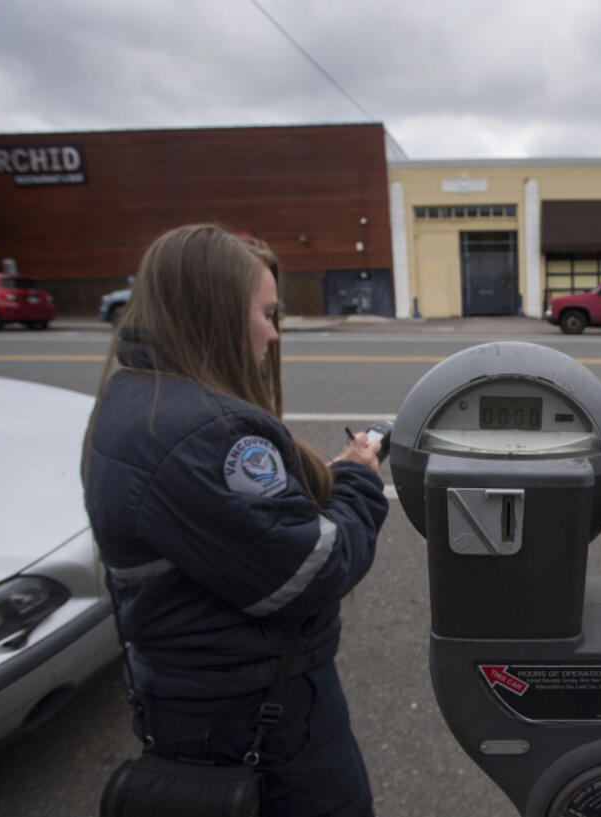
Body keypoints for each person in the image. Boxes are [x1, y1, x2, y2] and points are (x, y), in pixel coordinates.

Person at [82, 224, 387, 816]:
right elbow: (314, 567)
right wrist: (356, 482)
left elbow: (230, 529)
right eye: (268, 314)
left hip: (192, 698)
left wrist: (300, 490)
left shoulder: (134, 397)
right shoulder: (208, 433)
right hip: (257, 720)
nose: (274, 334)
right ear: (216, 313)